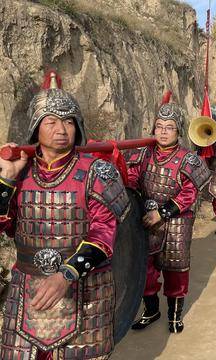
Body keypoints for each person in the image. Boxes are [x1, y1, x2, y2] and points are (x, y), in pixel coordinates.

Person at [0, 71, 130, 358]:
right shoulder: (19, 173)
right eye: (52, 121)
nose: (62, 129)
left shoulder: (97, 172)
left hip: (85, 291)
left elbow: (104, 234)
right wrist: (7, 180)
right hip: (28, 290)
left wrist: (66, 275)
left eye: (69, 122)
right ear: (36, 127)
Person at [127, 91, 210, 333]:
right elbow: (132, 180)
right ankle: (151, 310)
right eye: (159, 126)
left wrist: (163, 212)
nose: (163, 132)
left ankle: (175, 316)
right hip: (147, 220)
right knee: (146, 272)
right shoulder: (143, 154)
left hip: (177, 221)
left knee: (176, 271)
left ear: (178, 131)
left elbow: (189, 192)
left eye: (169, 127)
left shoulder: (188, 160)